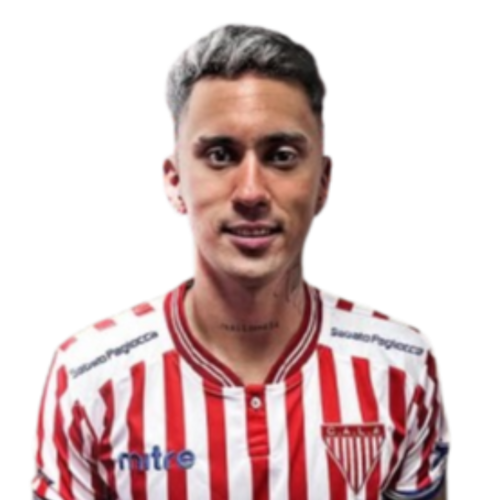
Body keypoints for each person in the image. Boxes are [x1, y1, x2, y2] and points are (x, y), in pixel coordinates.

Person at [29, 21, 452, 500]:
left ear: (324, 183)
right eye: (220, 155)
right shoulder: (88, 374)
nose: (251, 192)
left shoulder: (402, 365)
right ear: (173, 182)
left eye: (282, 156)